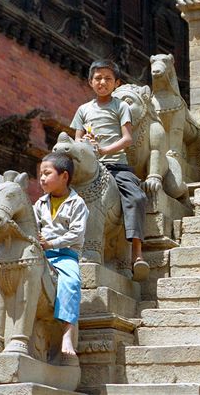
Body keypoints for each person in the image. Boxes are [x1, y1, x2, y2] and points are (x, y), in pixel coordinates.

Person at [71, 59, 150, 282]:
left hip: (117, 166)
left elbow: (127, 138)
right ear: (90, 82)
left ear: (116, 83)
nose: (102, 82)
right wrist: (86, 142)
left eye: (107, 78)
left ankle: (136, 253)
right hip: (91, 166)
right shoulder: (83, 110)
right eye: (98, 78)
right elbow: (77, 141)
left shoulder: (120, 106)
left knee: (136, 198)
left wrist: (104, 149)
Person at [33, 152, 89, 363]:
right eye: (40, 174)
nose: (42, 179)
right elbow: (32, 226)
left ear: (64, 176)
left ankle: (67, 335)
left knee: (71, 282)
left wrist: (52, 243)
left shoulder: (77, 204)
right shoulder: (39, 204)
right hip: (42, 255)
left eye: (47, 173)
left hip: (65, 256)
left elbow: (76, 233)